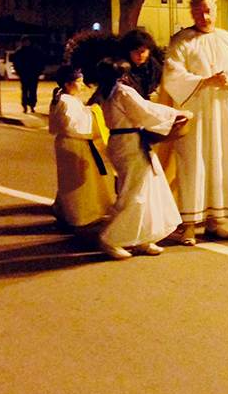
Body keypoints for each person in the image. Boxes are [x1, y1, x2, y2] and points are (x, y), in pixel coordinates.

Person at [160, 0, 228, 244]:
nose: (204, 16)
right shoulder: (182, 41)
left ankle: (215, 220)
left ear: (216, 10)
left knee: (221, 162)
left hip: (223, 112)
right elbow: (172, 75)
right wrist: (206, 81)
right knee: (192, 165)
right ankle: (188, 224)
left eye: (208, 11)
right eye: (198, 12)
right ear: (191, 13)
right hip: (195, 113)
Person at [95, 58, 187, 260]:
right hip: (131, 143)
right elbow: (145, 111)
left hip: (122, 141)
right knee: (136, 192)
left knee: (148, 188)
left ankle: (143, 236)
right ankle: (110, 238)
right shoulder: (122, 92)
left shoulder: (105, 92)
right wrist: (175, 114)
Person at [48, 65, 115, 229]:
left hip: (73, 143)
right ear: (67, 84)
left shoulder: (66, 99)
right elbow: (74, 125)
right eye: (79, 81)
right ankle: (77, 216)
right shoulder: (65, 101)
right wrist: (93, 113)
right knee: (77, 183)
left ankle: (64, 211)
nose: (82, 85)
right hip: (73, 143)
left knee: (72, 181)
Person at [118, 29, 164, 99]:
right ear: (128, 51)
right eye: (136, 51)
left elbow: (162, 80)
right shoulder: (123, 68)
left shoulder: (152, 64)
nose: (140, 55)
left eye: (143, 51)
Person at [10, 37, 46, 113]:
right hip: (24, 75)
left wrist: (39, 71)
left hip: (33, 74)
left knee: (33, 91)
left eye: (27, 41)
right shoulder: (19, 52)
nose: (26, 43)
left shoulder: (35, 51)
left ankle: (32, 105)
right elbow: (16, 63)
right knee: (24, 91)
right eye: (24, 41)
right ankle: (25, 106)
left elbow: (41, 61)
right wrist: (19, 72)